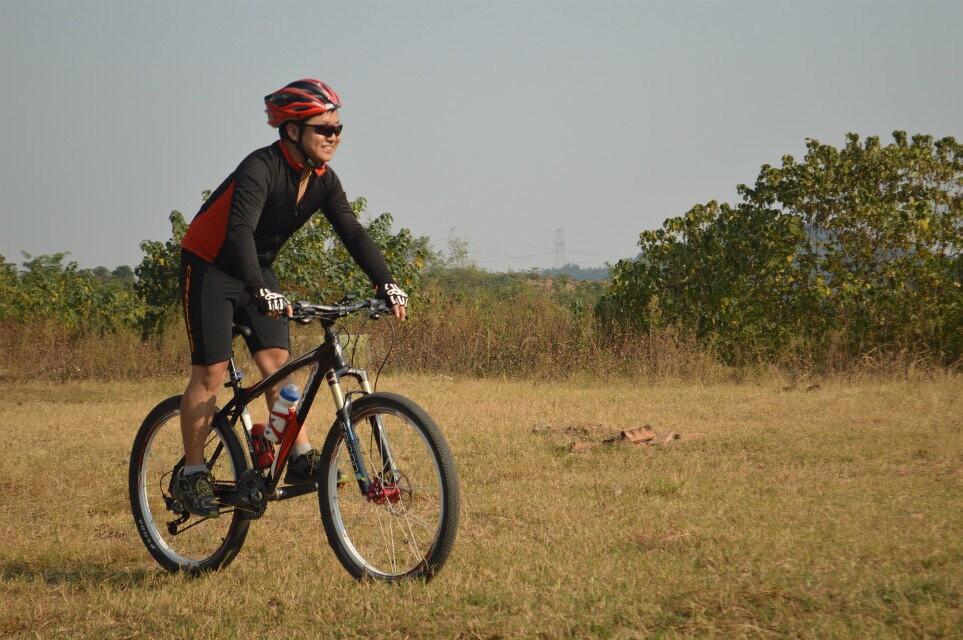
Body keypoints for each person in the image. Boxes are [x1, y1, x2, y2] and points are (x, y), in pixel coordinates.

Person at [174, 79, 408, 517]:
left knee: (278, 362)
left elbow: (352, 232)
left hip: (255, 267)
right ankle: (192, 473)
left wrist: (385, 281)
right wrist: (258, 289)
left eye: (338, 129)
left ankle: (299, 457)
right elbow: (238, 231)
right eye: (324, 129)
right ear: (293, 131)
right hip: (209, 265)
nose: (334, 138)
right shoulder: (260, 168)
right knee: (211, 371)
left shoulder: (323, 180)